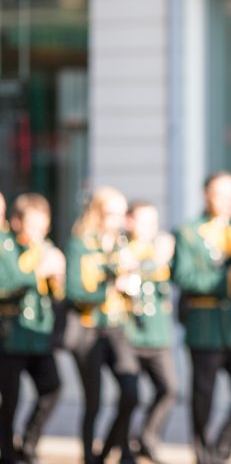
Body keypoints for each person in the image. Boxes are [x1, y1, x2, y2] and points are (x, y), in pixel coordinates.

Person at [172, 172, 231, 464]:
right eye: (221, 195)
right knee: (203, 397)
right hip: (204, 324)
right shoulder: (187, 231)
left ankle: (220, 450)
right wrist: (228, 277)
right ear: (205, 194)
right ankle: (201, 454)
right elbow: (183, 276)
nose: (228, 202)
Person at [65, 186, 141, 464]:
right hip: (89, 327)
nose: (118, 220)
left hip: (117, 326)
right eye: (112, 214)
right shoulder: (80, 244)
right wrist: (109, 287)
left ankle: (113, 449)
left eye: (122, 214)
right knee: (93, 401)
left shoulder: (122, 245)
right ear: (97, 214)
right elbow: (74, 291)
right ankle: (89, 457)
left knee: (131, 393)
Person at [0, 194, 64, 464]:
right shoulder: (6, 245)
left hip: (37, 331)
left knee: (52, 386)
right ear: (17, 222)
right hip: (11, 332)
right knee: (9, 398)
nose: (38, 234)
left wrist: (58, 275)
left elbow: (56, 294)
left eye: (42, 227)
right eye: (32, 227)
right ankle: (6, 452)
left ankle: (29, 441)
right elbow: (7, 282)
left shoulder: (44, 247)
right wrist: (38, 270)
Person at [124, 201, 178, 464]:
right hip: (132, 334)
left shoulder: (159, 251)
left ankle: (147, 436)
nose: (151, 229)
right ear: (130, 222)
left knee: (169, 389)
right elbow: (128, 272)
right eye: (144, 222)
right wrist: (156, 260)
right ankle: (124, 447)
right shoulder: (126, 249)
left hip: (158, 335)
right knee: (129, 395)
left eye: (154, 223)